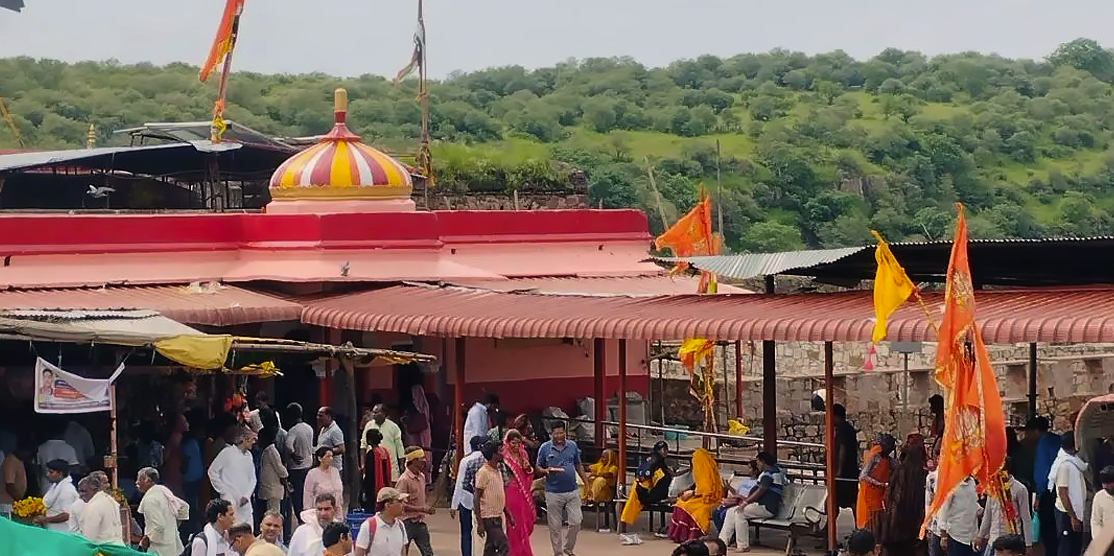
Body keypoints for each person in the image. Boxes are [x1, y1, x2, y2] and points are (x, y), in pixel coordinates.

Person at [536, 420, 588, 554]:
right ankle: (558, 553)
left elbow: (578, 464)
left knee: (576, 521)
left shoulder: (572, 446)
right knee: (555, 526)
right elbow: (538, 466)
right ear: (551, 434)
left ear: (565, 432)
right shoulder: (544, 448)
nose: (559, 436)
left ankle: (568, 548)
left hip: (572, 490)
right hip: (553, 492)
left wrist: (587, 483)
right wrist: (545, 471)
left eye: (561, 433)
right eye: (556, 434)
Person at [718, 451, 786, 553]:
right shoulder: (767, 473)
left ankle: (743, 545)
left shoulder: (770, 473)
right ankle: (722, 542)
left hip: (766, 507)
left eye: (758, 462)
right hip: (759, 506)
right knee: (730, 512)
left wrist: (746, 502)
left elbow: (760, 491)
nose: (757, 464)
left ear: (763, 462)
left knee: (739, 513)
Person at [878, 432, 927, 556]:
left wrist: (889, 528)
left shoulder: (902, 470)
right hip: (913, 527)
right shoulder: (922, 473)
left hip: (898, 527)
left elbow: (896, 500)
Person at [619, 440, 673, 545]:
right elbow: (644, 474)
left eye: (667, 449)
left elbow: (671, 474)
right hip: (646, 494)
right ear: (659, 450)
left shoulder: (657, 460)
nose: (666, 452)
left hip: (647, 492)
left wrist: (687, 470)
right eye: (664, 449)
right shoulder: (654, 460)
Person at [976, 459, 1033, 556]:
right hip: (993, 540)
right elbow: (988, 515)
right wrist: (980, 536)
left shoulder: (1019, 489)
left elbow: (1026, 518)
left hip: (1011, 543)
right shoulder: (992, 488)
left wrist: (1028, 544)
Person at [668, 448, 724, 543]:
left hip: (711, 499)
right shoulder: (701, 472)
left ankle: (692, 536)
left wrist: (692, 493)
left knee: (690, 507)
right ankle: (680, 535)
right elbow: (698, 488)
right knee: (680, 503)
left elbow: (706, 491)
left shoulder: (705, 471)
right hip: (701, 497)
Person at [209, 427, 258, 531]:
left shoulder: (249, 456)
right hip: (229, 501)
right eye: (252, 439)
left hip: (245, 503)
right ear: (244, 439)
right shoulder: (227, 452)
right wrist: (224, 491)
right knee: (231, 532)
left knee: (248, 530)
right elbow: (212, 472)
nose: (254, 442)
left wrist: (247, 495)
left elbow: (253, 478)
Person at [1028, 416, 1062, 556]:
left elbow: (1042, 472)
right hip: (1061, 488)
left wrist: (1038, 496)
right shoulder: (1058, 440)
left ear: (1035, 431)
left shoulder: (1043, 444)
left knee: (1048, 529)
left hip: (1049, 491)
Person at [137, 467, 187, 556]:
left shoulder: (150, 500)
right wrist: (172, 528)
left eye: (140, 479)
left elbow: (159, 526)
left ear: (149, 481)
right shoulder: (163, 491)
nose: (137, 482)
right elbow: (184, 507)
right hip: (173, 546)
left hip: (160, 549)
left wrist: (147, 539)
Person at [451, 435, 489, 556]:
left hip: (466, 500)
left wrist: (454, 505)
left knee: (466, 533)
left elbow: (460, 483)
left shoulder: (466, 460)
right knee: (483, 533)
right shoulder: (489, 460)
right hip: (485, 501)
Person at [1050, 431, 1086, 556]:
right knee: (1067, 549)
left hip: (1074, 512)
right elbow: (1063, 493)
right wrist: (1073, 517)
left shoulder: (1074, 461)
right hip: (1066, 513)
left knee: (1075, 548)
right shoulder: (1064, 465)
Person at [502, 430, 537, 556]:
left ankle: (523, 551)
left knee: (524, 523)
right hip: (511, 493)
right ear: (507, 442)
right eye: (513, 443)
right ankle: (514, 552)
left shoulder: (523, 454)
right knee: (514, 524)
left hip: (523, 493)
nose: (516, 446)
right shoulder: (504, 457)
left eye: (518, 442)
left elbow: (528, 474)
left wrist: (528, 468)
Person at [396, 446, 435, 556]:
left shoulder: (421, 477)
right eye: (421, 458)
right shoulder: (404, 480)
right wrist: (422, 509)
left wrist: (425, 508)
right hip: (406, 523)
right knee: (403, 552)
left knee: (428, 552)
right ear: (413, 461)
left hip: (419, 522)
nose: (424, 460)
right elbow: (400, 505)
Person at [475, 440, 512, 556]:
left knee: (490, 548)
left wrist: (507, 513)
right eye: (500, 451)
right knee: (503, 545)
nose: (503, 453)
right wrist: (480, 522)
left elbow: (499, 494)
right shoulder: (483, 472)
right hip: (489, 518)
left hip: (497, 516)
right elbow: (477, 498)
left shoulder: (498, 470)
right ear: (493, 455)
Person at [857, 433, 897, 529]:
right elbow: (863, 476)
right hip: (870, 494)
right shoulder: (874, 457)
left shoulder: (889, 460)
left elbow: (897, 469)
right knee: (870, 521)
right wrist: (879, 484)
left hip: (881, 495)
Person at [355, 487, 410, 556]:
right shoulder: (369, 526)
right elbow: (359, 553)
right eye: (400, 502)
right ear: (388, 505)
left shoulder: (400, 525)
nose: (404, 505)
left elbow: (403, 552)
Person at [77, 474, 124, 544]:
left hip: (103, 549)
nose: (80, 495)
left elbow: (89, 537)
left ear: (95, 489)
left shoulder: (94, 505)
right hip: (117, 547)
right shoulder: (111, 500)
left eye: (83, 491)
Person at [361, 404, 404, 481]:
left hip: (390, 465)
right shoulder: (369, 425)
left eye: (376, 413)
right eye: (373, 412)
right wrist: (363, 464)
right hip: (373, 464)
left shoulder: (393, 427)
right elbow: (363, 445)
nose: (373, 415)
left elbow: (400, 448)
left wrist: (402, 465)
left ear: (384, 414)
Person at [285, 403, 314, 515]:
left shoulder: (293, 431)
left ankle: (301, 519)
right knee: (306, 495)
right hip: (308, 465)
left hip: (296, 468)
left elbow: (288, 447)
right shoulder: (309, 428)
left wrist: (291, 456)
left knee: (297, 498)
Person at [938, 476, 978, 556]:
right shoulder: (952, 484)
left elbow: (972, 502)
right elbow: (943, 510)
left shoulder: (972, 482)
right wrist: (943, 536)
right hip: (956, 535)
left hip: (973, 536)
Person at [36, 459, 78, 533]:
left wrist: (45, 519)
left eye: (51, 472)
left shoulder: (67, 490)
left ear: (60, 473)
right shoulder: (56, 486)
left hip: (63, 532)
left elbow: (67, 515)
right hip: (54, 530)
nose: (47, 474)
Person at [833, 404, 861, 514]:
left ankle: (858, 525)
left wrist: (839, 471)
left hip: (846, 472)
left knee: (851, 500)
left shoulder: (844, 430)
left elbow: (843, 450)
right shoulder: (844, 429)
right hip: (847, 471)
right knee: (836, 500)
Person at [304, 447, 345, 519]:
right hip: (320, 512)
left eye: (332, 456)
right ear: (320, 458)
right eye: (328, 456)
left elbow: (339, 492)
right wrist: (309, 514)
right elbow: (308, 495)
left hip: (335, 512)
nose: (331, 458)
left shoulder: (335, 471)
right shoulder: (312, 473)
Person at [258, 427, 290, 515]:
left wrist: (285, 476)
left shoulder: (271, 451)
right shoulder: (266, 450)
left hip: (273, 489)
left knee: (273, 514)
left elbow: (280, 468)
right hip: (269, 489)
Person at [362, 429, 393, 512]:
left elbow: (369, 474)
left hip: (374, 487)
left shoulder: (372, 453)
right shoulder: (384, 451)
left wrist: (364, 489)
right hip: (385, 484)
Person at [0, 439, 28, 516]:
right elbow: (9, 485)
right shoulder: (11, 461)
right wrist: (20, 501)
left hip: (13, 504)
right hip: (7, 504)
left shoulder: (19, 461)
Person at [316, 407, 345, 475]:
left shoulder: (335, 431)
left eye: (321, 416)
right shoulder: (323, 428)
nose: (318, 418)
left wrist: (326, 451)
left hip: (333, 469)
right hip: (324, 468)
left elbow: (341, 449)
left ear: (328, 416)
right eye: (317, 415)